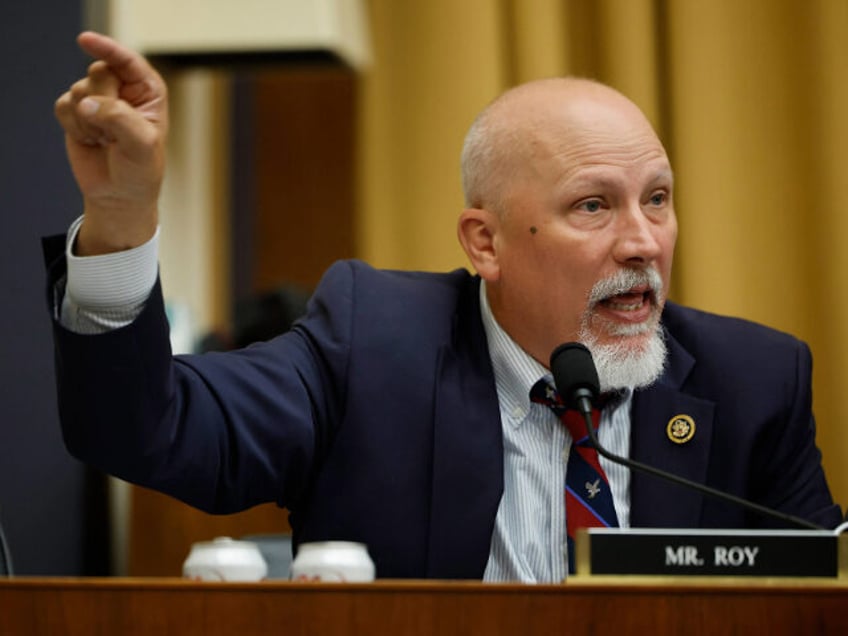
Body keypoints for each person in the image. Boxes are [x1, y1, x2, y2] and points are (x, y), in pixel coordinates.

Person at [47, 32, 842, 582]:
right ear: (484, 243)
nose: (643, 242)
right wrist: (121, 221)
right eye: (594, 207)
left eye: (658, 200)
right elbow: (146, 428)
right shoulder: (373, 347)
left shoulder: (753, 383)